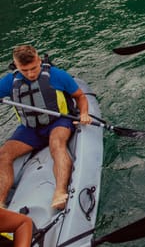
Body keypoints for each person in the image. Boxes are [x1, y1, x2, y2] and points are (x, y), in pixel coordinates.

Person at [0, 45, 92, 210]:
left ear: (39, 60)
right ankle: (0, 202)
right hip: (30, 129)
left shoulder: (57, 76)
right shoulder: (9, 82)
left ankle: (60, 191)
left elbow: (80, 97)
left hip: (58, 122)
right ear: (16, 66)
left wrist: (84, 113)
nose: (30, 73)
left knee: (56, 144)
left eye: (33, 68)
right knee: (4, 155)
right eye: (24, 70)